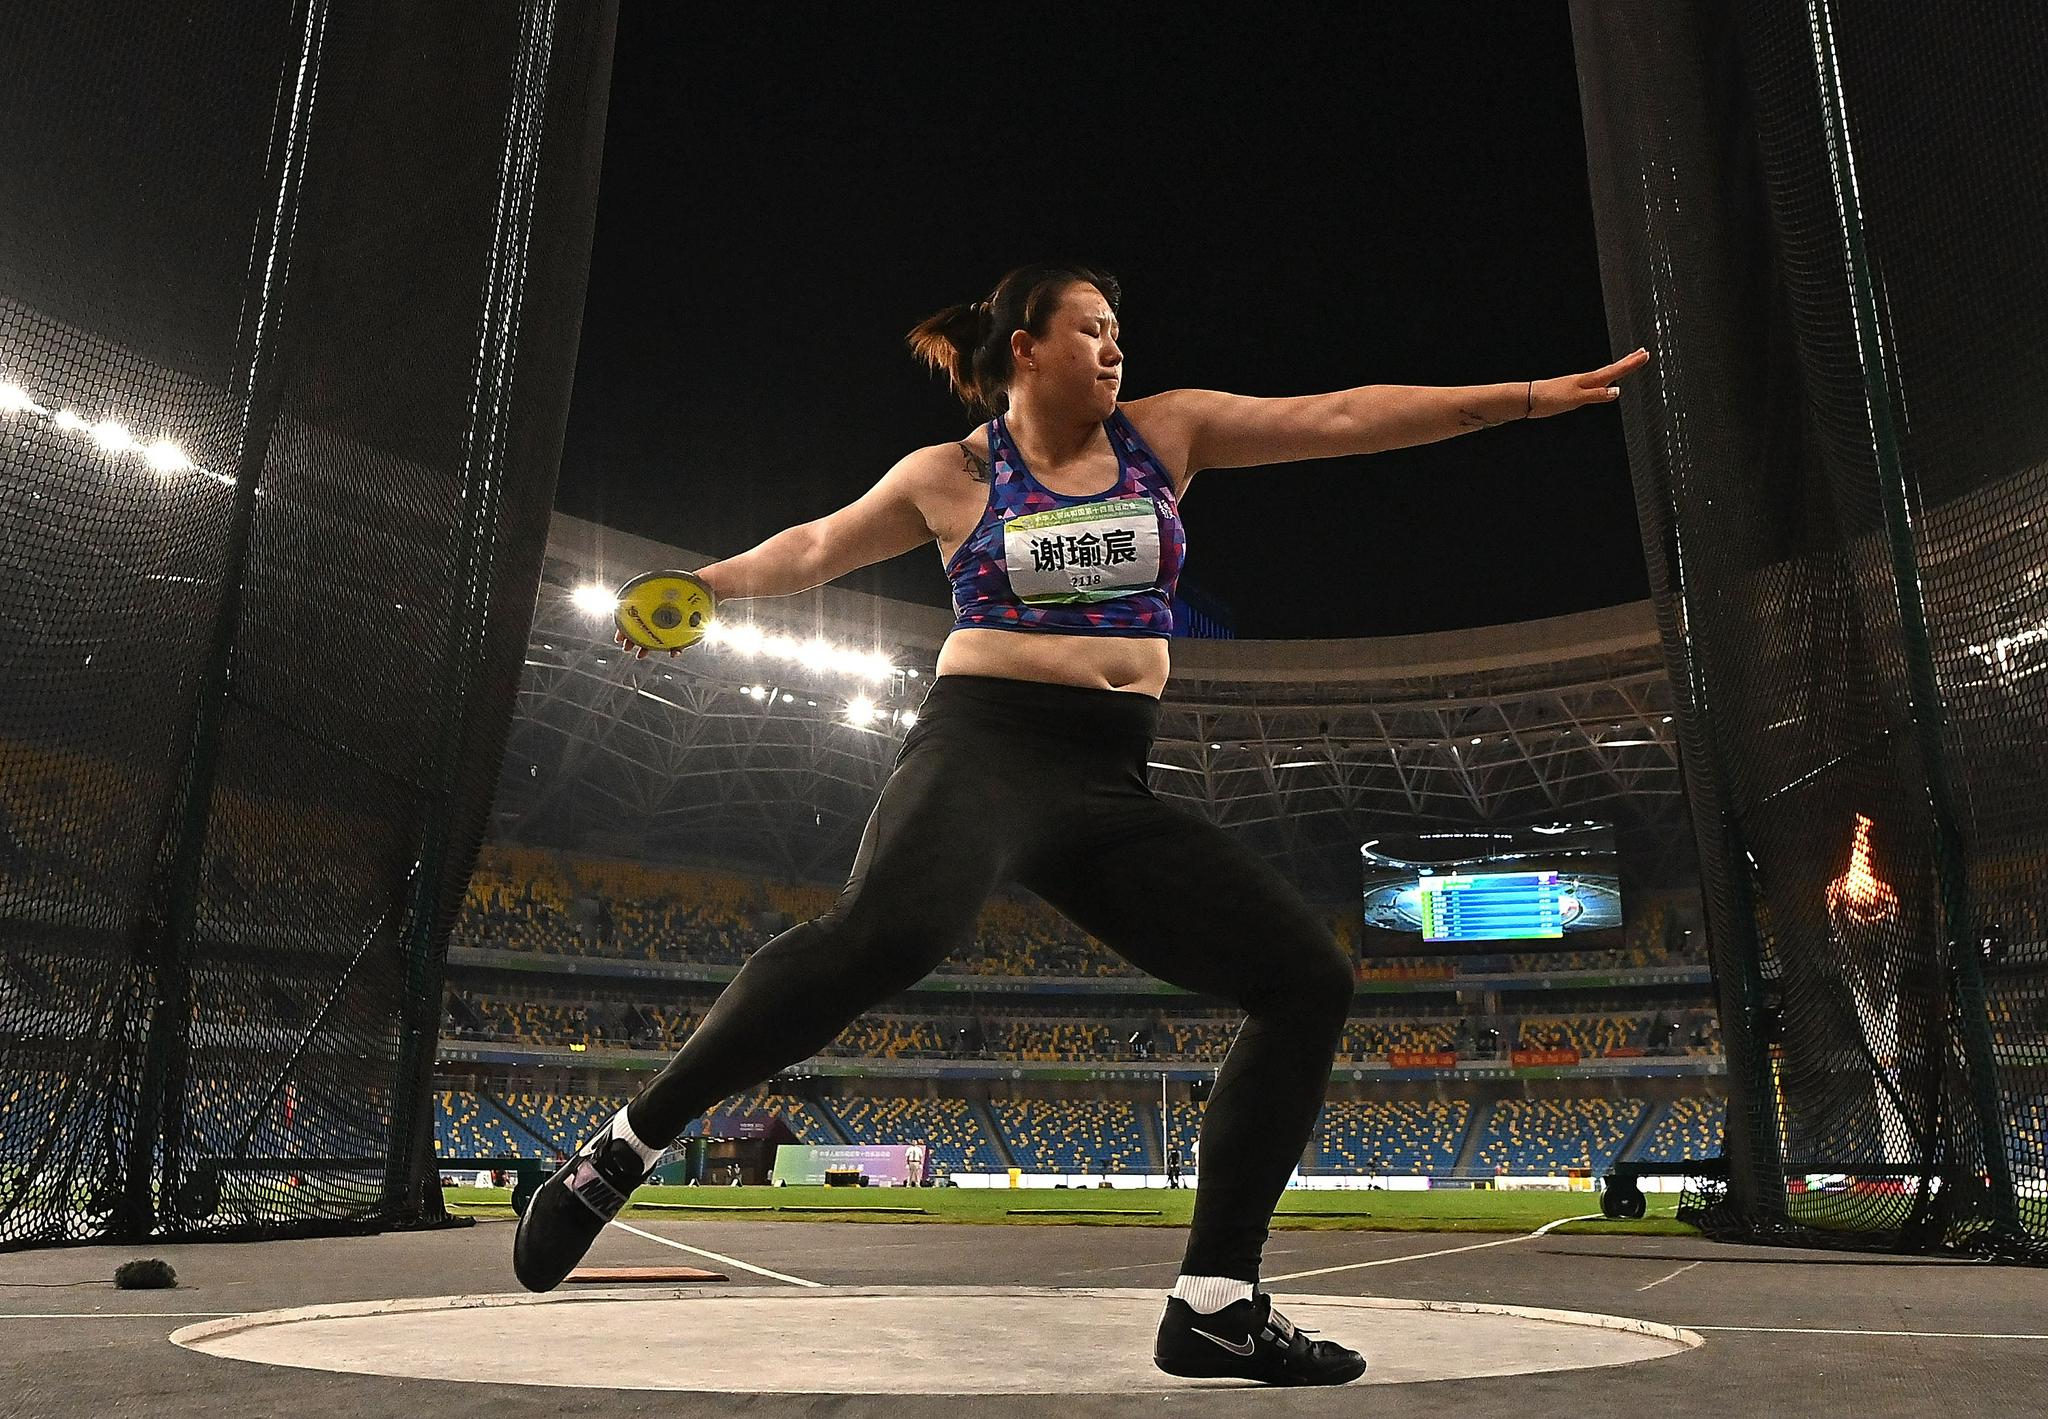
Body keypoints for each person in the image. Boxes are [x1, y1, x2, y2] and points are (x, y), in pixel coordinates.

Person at [513, 261, 1649, 1386]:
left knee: (1306, 977)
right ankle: (619, 1154)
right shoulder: (950, 474)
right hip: (984, 747)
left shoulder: (1169, 434)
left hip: (1107, 780)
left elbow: (1343, 416)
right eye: (1094, 329)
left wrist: (1527, 399)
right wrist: (703, 585)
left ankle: (1215, 1306)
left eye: (1120, 333)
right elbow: (813, 547)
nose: (1117, 350)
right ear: (1026, 347)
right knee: (884, 937)